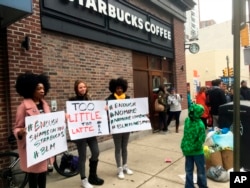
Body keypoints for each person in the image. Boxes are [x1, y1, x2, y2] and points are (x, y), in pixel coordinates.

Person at [13, 72, 54, 188]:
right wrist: (20, 132)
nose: (42, 91)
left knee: (43, 174)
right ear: (30, 90)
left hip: (44, 144)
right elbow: (17, 127)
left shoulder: (45, 105)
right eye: (38, 88)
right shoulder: (23, 107)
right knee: (33, 176)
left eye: (43, 88)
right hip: (32, 147)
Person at [69, 80, 104, 188]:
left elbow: (95, 112)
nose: (83, 89)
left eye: (84, 87)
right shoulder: (72, 101)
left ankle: (92, 175)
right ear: (76, 89)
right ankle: (84, 180)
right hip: (80, 133)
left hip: (90, 132)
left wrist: (104, 109)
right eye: (80, 87)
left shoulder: (89, 99)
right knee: (82, 156)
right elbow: (72, 116)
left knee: (96, 152)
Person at [106, 77, 133, 179]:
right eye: (117, 88)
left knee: (124, 147)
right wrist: (106, 110)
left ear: (124, 88)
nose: (119, 90)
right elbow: (105, 113)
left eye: (121, 88)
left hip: (126, 127)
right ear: (114, 89)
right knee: (118, 148)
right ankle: (119, 169)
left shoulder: (128, 98)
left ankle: (125, 166)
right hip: (116, 128)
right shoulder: (109, 100)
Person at [181, 103, 208, 188]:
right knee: (201, 170)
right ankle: (202, 185)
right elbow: (201, 140)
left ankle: (189, 186)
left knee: (189, 170)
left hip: (187, 150)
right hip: (197, 151)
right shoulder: (200, 125)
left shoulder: (187, 121)